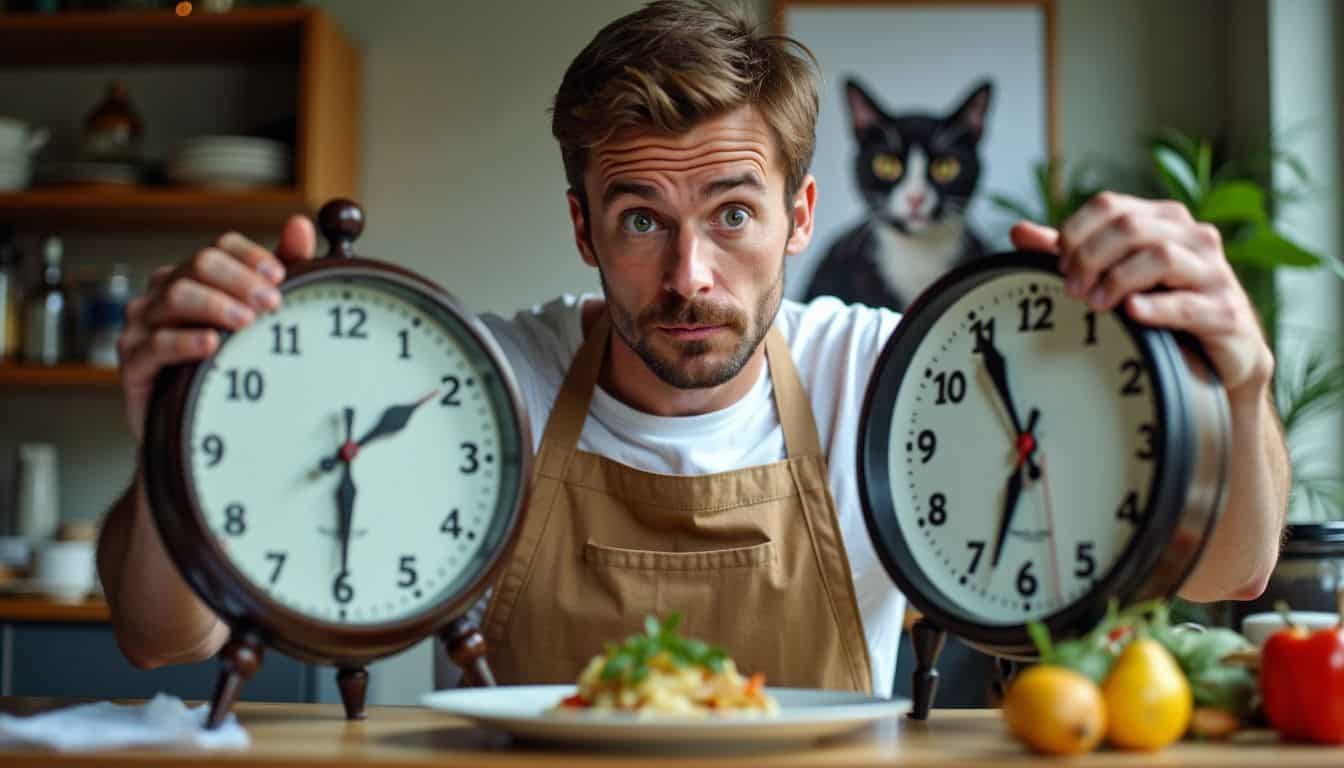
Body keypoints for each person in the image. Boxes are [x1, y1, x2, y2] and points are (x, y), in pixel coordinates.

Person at [96, 0, 1289, 697]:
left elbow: (1225, 573)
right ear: (582, 225)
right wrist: (177, 419)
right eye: (639, 221)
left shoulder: (888, 376)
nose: (688, 278)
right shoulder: (482, 387)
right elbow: (166, 635)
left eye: (731, 213)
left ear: (802, 218)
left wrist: (1241, 378)